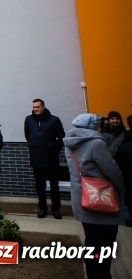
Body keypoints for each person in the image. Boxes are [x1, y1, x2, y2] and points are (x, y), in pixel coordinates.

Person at [64, 114, 125, 278]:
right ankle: (102, 274)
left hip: (82, 199)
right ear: (93, 126)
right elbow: (111, 170)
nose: (101, 127)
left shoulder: (70, 144)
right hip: (101, 199)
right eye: (99, 124)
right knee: (105, 243)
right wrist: (121, 188)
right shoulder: (96, 143)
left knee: (91, 240)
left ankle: (92, 272)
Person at [24, 98, 65, 219]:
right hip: (36, 157)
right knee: (40, 185)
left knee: (54, 186)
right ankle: (42, 208)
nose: (35, 109)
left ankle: (56, 209)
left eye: (37, 107)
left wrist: (53, 149)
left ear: (43, 107)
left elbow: (61, 137)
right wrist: (32, 146)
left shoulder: (53, 120)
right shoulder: (29, 119)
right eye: (34, 107)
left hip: (51, 158)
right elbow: (28, 135)